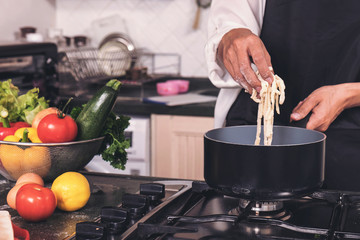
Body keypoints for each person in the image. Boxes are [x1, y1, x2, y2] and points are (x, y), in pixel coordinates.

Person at [205, 0, 360, 191]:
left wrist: (350, 94)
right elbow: (228, 20)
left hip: (350, 143)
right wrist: (231, 37)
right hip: (252, 129)